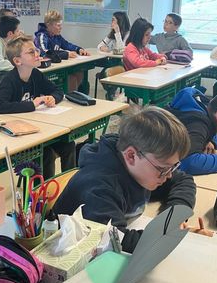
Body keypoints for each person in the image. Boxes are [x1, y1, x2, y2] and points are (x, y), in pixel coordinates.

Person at [53, 106, 206, 253]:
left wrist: (173, 216)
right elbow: (118, 242)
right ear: (131, 155)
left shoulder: (143, 168)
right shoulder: (99, 187)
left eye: (173, 166)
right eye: (164, 168)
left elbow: (183, 180)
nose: (169, 175)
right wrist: (175, 237)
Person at [0, 35, 75, 178]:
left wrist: (52, 98)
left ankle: (69, 184)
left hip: (39, 128)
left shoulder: (35, 74)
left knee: (69, 145)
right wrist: (31, 104)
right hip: (18, 135)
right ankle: (43, 195)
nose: (37, 54)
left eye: (36, 50)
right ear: (17, 61)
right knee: (46, 154)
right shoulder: (9, 80)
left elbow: (58, 90)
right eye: (31, 52)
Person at [34, 10, 90, 91]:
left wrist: (79, 49)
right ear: (49, 25)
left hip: (58, 66)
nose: (61, 28)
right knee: (72, 79)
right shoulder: (41, 36)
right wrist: (65, 54)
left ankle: (74, 96)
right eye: (58, 25)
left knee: (79, 73)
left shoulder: (57, 36)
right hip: (47, 70)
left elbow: (66, 45)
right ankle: (68, 97)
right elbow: (44, 53)